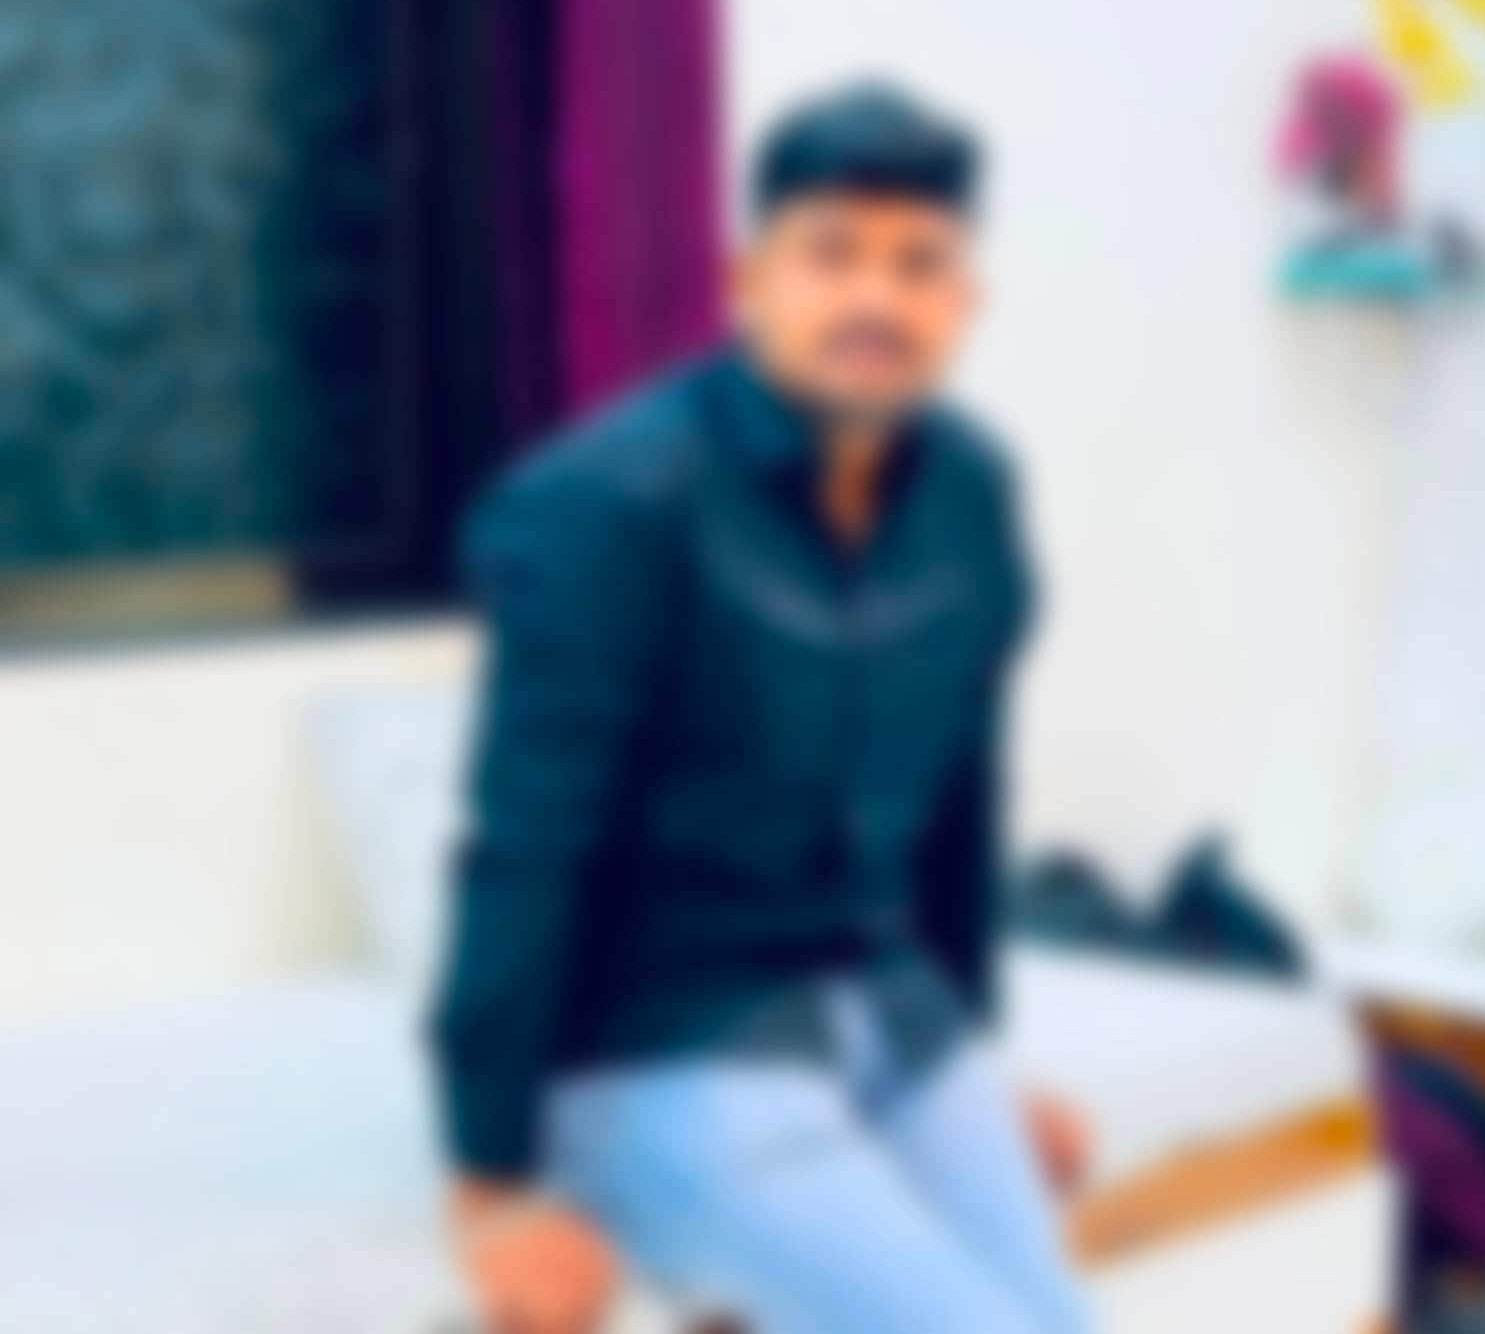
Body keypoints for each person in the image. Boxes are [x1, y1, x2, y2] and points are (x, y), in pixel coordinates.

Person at [432, 81, 1093, 1334]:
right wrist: (488, 1183)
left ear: (965, 301)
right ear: (749, 282)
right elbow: (524, 845)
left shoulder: (970, 489)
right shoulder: (605, 503)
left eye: (918, 265)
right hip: (659, 1040)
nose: (874, 299)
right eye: (831, 255)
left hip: (883, 1010)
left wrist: (976, 1055)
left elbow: (963, 790)